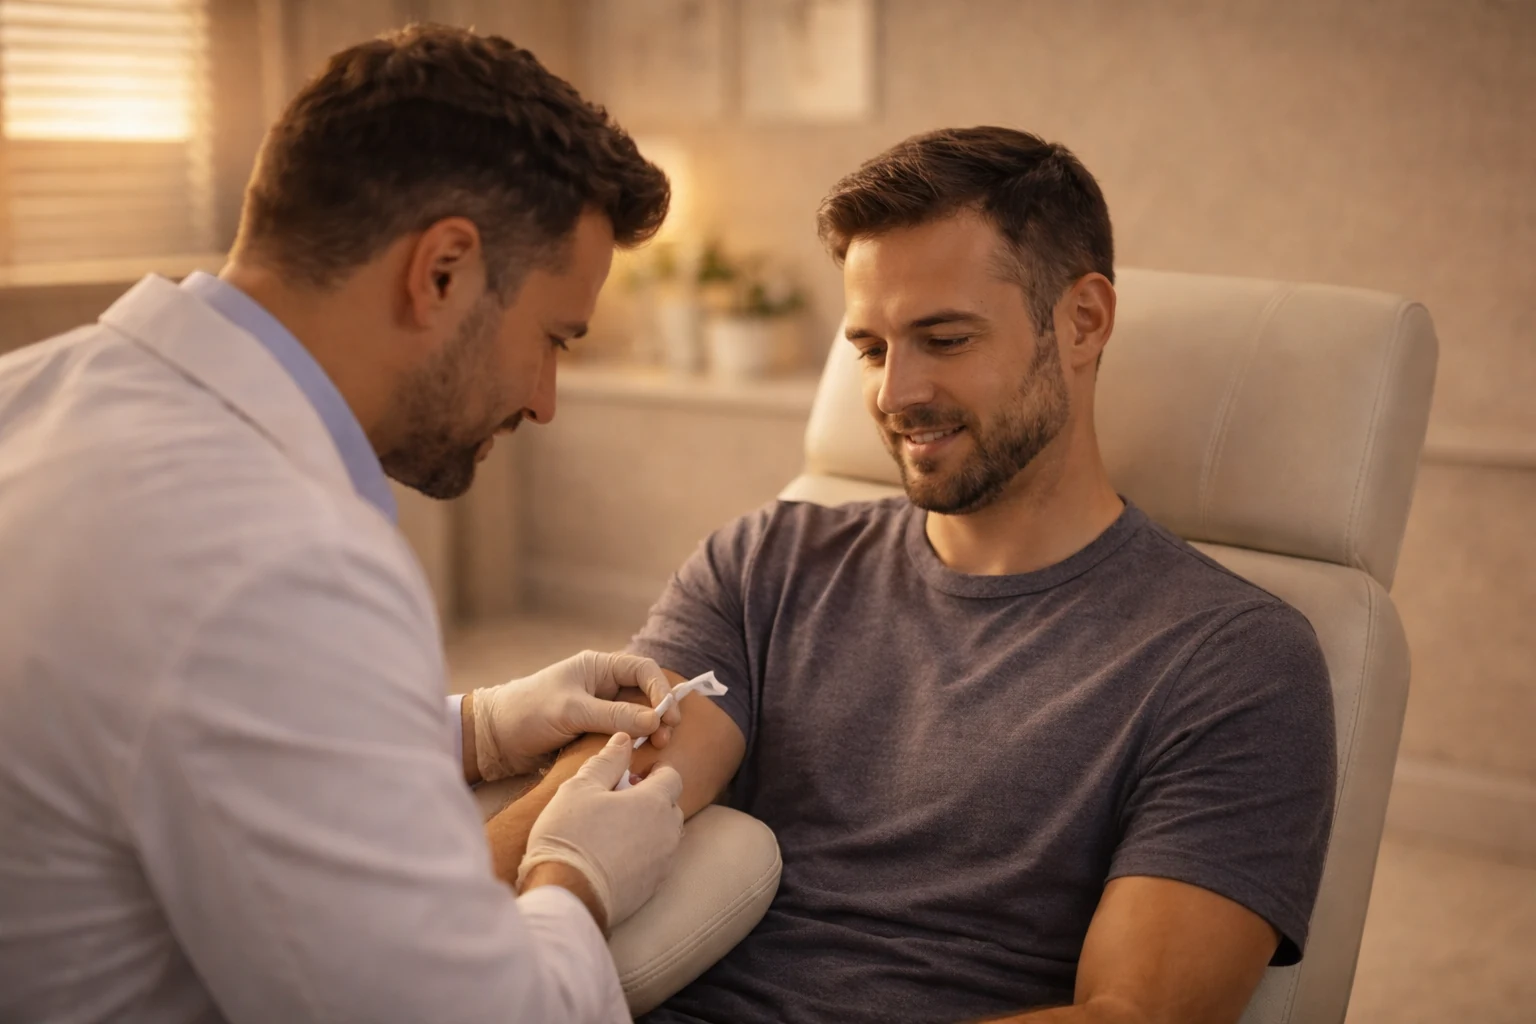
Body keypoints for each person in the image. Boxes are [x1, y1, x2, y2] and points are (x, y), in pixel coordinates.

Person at [498, 128, 1338, 1024]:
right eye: (870, 348)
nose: (894, 395)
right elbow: (597, 799)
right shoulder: (765, 564)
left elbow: (1131, 1018)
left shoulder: (1232, 662)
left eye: (944, 338)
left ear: (1084, 321)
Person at [0, 24, 688, 1024]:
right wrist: (575, 876)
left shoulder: (27, 393)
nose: (544, 401)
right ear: (442, 270)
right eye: (553, 339)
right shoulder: (280, 561)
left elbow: (166, 721)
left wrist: (477, 727)